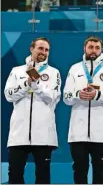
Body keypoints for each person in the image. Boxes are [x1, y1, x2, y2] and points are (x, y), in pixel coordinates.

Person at [63, 36, 103, 184]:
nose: (93, 50)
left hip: (101, 132)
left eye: (97, 47)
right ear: (85, 48)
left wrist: (98, 95)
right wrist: (78, 94)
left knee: (100, 170)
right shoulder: (75, 69)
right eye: (90, 47)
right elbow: (66, 97)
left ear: (101, 49)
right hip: (78, 132)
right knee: (79, 170)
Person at [4, 37, 61, 184]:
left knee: (43, 176)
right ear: (31, 49)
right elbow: (9, 95)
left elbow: (52, 97)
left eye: (46, 50)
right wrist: (26, 83)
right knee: (15, 176)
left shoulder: (54, 73)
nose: (43, 52)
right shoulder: (17, 71)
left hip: (43, 134)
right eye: (40, 48)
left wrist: (36, 85)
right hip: (19, 133)